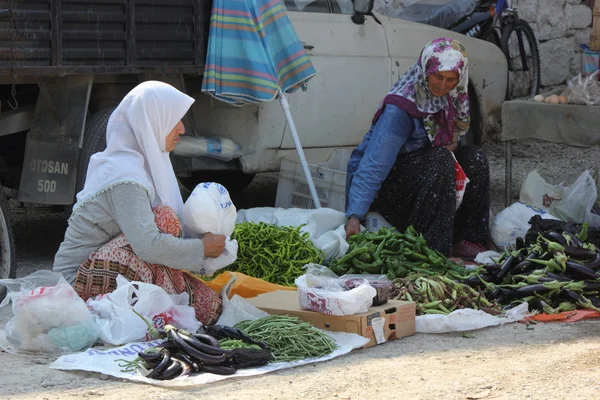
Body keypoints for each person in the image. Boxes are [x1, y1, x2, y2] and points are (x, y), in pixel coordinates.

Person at [53, 81, 225, 325]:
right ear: (152, 122)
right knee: (164, 220)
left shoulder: (140, 166)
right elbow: (147, 246)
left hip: (104, 269)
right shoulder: (124, 176)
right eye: (174, 120)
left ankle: (167, 300)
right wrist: (201, 249)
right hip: (74, 284)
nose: (183, 129)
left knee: (210, 306)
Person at [344, 37, 490, 259]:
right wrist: (355, 216)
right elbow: (374, 164)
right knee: (440, 159)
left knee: (474, 158)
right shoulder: (400, 109)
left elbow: (451, 140)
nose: (443, 85)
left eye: (450, 79)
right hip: (391, 189)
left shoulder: (453, 97)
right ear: (425, 70)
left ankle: (466, 239)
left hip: (427, 178)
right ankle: (435, 250)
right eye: (437, 76)